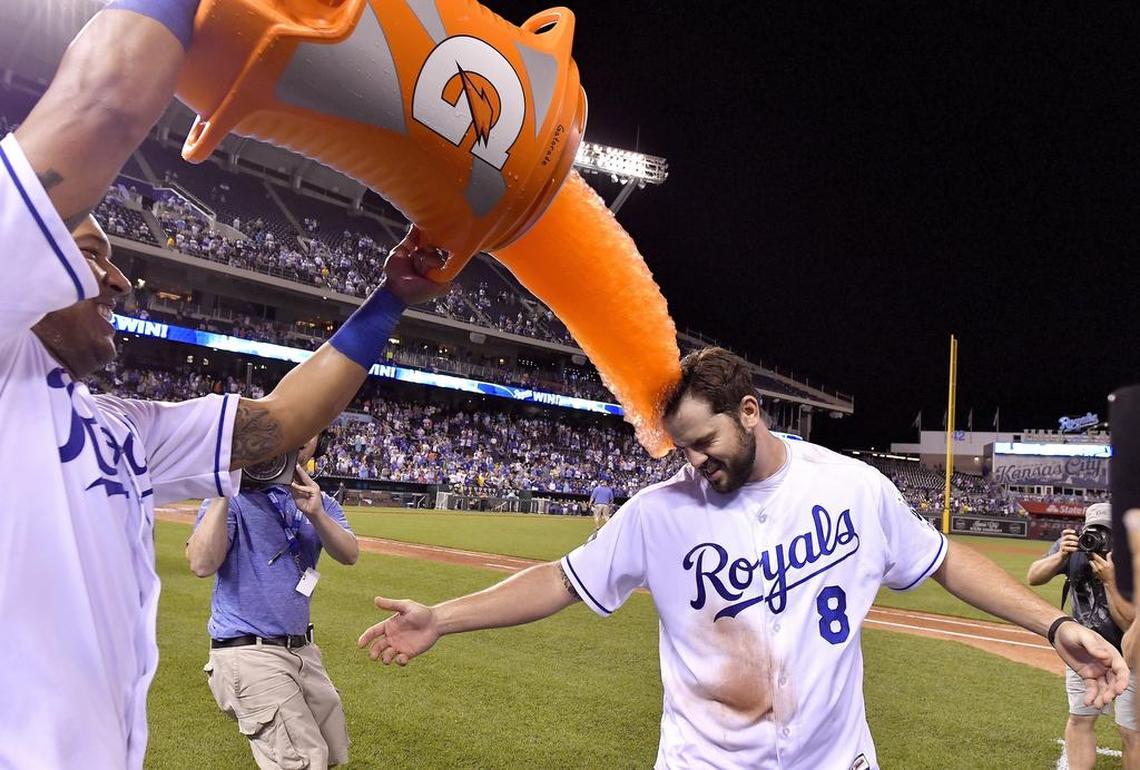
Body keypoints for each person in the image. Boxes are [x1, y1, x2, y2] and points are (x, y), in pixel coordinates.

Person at [0, 3, 449, 766]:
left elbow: (277, 422)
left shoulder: (117, 425)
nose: (119, 279)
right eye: (89, 253)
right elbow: (102, 103)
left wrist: (392, 299)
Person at [358, 347, 1128, 769]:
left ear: (749, 411)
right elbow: (562, 580)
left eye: (704, 442)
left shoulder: (852, 488)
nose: (693, 462)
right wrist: (443, 617)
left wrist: (1053, 629)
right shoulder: (658, 515)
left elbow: (944, 563)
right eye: (680, 448)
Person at [187, 434, 358, 769]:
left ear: (311, 449)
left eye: (309, 436)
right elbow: (201, 564)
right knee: (304, 762)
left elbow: (349, 554)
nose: (299, 441)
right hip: (250, 651)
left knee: (331, 750)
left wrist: (316, 514)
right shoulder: (233, 499)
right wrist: (226, 487)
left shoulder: (320, 502)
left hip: (302, 650)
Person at [1027, 504, 1137, 769]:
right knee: (1080, 718)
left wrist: (1110, 581)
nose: (1098, 538)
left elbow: (1131, 622)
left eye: (1106, 532)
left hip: (1131, 655)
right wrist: (1060, 557)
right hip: (1086, 654)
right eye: (1093, 530)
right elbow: (1033, 577)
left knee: (1132, 732)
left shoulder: (1133, 558)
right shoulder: (1075, 548)